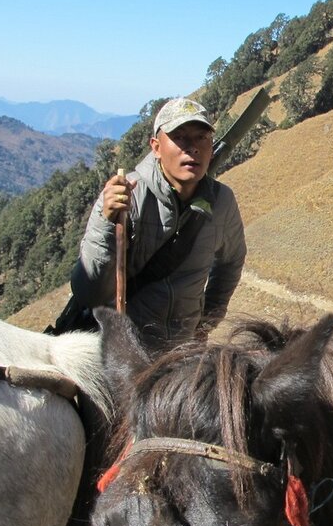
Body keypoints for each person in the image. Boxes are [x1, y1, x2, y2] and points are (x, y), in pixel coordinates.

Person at [67, 96, 246, 349]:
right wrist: (106, 223)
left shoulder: (222, 201)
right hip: (126, 357)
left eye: (201, 137)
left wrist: (206, 323)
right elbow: (89, 291)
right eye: (180, 137)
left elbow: (231, 262)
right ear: (156, 147)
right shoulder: (126, 195)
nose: (192, 147)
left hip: (181, 355)